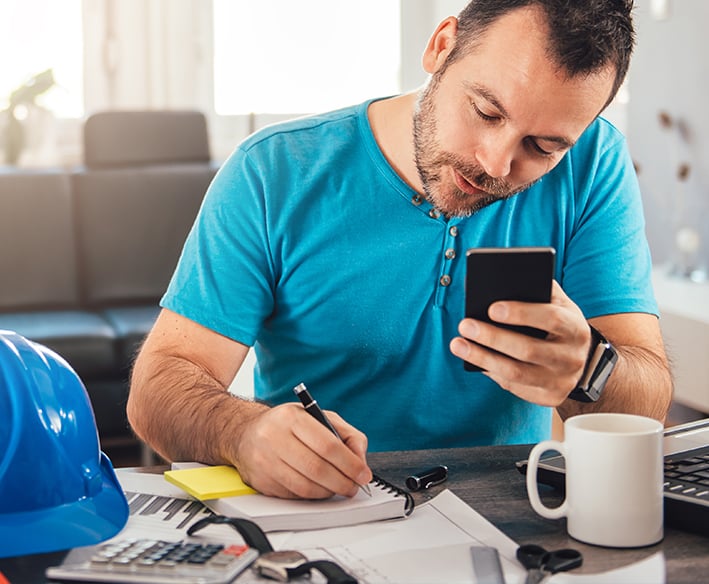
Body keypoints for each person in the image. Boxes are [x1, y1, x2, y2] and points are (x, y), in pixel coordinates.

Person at [128, 0, 672, 500]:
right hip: (326, 512)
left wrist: (589, 367)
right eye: (486, 111)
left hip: (513, 515)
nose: (497, 165)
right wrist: (240, 433)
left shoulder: (596, 163)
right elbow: (157, 390)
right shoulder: (272, 172)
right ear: (441, 46)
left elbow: (648, 397)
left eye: (544, 146)